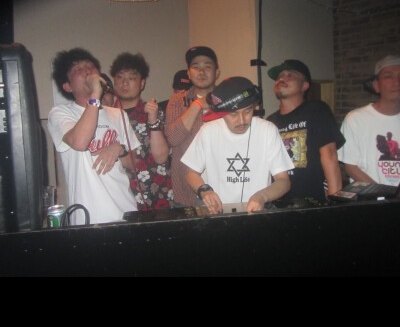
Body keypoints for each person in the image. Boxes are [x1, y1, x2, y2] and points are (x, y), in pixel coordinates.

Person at [47, 48, 140, 225]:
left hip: (125, 210)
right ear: (67, 86)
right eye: (78, 69)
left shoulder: (118, 114)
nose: (87, 71)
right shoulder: (60, 113)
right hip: (88, 216)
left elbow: (132, 163)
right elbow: (80, 142)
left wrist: (119, 148)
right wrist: (95, 95)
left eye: (90, 66)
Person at [181, 76, 293, 214]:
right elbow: (190, 173)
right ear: (222, 113)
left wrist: (262, 197)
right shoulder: (208, 131)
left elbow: (283, 181)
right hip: (217, 214)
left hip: (256, 213)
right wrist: (204, 190)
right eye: (233, 114)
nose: (242, 120)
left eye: (248, 111)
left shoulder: (268, 130)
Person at [266, 59, 345, 204]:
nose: (282, 78)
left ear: (305, 85)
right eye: (279, 76)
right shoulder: (269, 122)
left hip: (312, 202)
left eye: (290, 75)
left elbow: (330, 156)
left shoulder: (317, 110)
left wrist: (335, 202)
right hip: (277, 204)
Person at [110, 52, 172, 210]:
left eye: (131, 78)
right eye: (120, 77)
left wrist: (153, 120)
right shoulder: (106, 116)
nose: (125, 83)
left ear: (142, 83)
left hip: (158, 194)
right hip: (120, 197)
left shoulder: (155, 112)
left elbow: (161, 157)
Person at [165, 46, 220, 206]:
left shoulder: (227, 99)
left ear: (217, 72)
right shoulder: (177, 100)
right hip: (186, 189)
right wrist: (198, 104)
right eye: (196, 67)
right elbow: (173, 138)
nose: (201, 71)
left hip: (222, 185)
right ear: (189, 73)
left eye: (207, 67)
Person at [338, 55, 400, 185]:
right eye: (389, 76)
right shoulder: (356, 119)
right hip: (369, 196)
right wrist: (383, 193)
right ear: (376, 85)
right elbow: (351, 167)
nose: (396, 82)